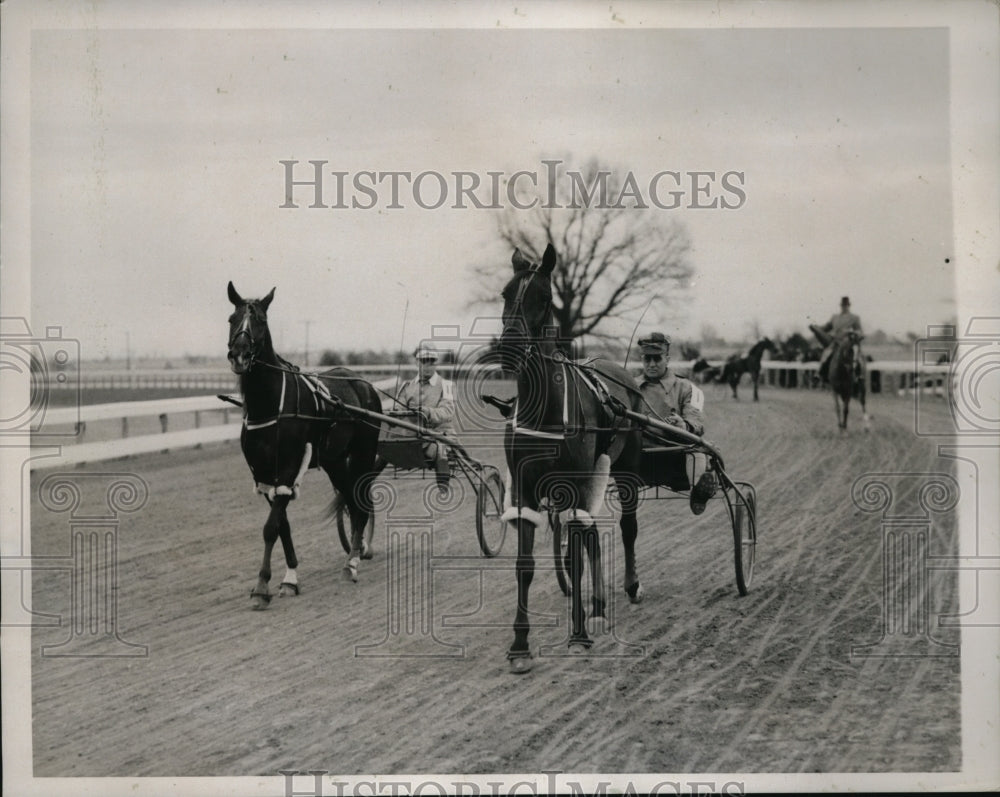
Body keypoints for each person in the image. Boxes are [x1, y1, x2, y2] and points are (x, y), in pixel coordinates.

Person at [635, 332, 717, 515]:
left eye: (657, 358)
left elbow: (696, 420)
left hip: (675, 454)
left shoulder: (687, 388)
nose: (652, 364)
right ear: (642, 359)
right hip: (640, 455)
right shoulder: (630, 387)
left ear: (667, 359)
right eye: (647, 359)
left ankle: (699, 491)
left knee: (698, 448)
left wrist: (684, 426)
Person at [396, 343, 456, 493]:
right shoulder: (406, 386)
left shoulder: (446, 385)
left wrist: (427, 412)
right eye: (424, 361)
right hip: (411, 436)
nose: (427, 365)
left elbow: (447, 411)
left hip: (440, 436)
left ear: (436, 363)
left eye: (431, 361)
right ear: (417, 362)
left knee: (439, 450)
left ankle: (443, 488)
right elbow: (398, 410)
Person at [815, 296, 864, 385]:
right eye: (843, 305)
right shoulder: (835, 317)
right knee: (826, 353)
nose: (844, 307)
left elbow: (860, 331)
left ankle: (859, 375)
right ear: (840, 306)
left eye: (846, 305)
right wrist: (817, 328)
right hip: (836, 342)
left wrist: (854, 333)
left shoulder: (854, 318)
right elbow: (826, 327)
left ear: (849, 306)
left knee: (856, 355)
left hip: (849, 342)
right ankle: (819, 373)